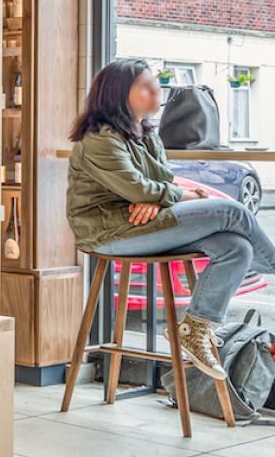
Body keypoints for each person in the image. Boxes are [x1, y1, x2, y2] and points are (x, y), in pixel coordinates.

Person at [67, 58, 275, 379]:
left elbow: (157, 184)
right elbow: (140, 188)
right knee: (232, 211)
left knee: (237, 247)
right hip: (108, 232)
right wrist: (172, 195)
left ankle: (196, 327)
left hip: (139, 224)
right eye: (146, 86)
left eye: (155, 83)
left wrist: (154, 198)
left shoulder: (147, 135)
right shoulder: (100, 140)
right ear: (119, 93)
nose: (156, 90)